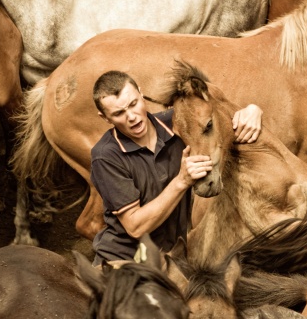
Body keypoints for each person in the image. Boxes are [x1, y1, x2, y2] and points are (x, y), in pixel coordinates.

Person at [90, 70, 263, 267]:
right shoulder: (105, 156)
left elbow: (216, 113)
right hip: (126, 260)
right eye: (119, 113)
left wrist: (252, 110)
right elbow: (136, 227)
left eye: (133, 104)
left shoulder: (177, 123)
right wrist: (182, 181)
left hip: (174, 258)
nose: (131, 116)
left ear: (140, 93)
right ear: (105, 118)